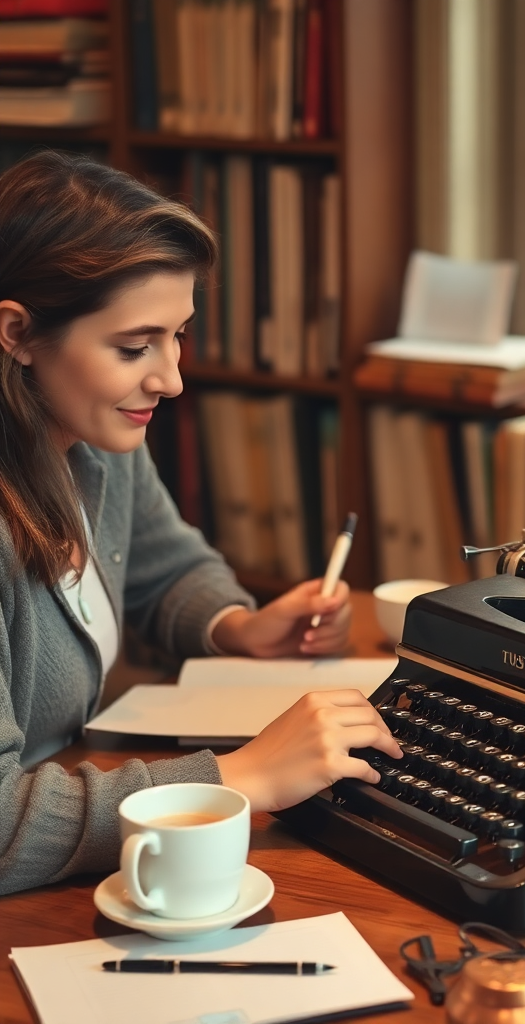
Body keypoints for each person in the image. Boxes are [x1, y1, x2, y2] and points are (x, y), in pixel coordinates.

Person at [0, 151, 401, 896]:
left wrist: (237, 627)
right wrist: (238, 777)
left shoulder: (90, 436)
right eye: (133, 347)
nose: (172, 379)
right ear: (18, 333)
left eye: (177, 335)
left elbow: (167, 568)